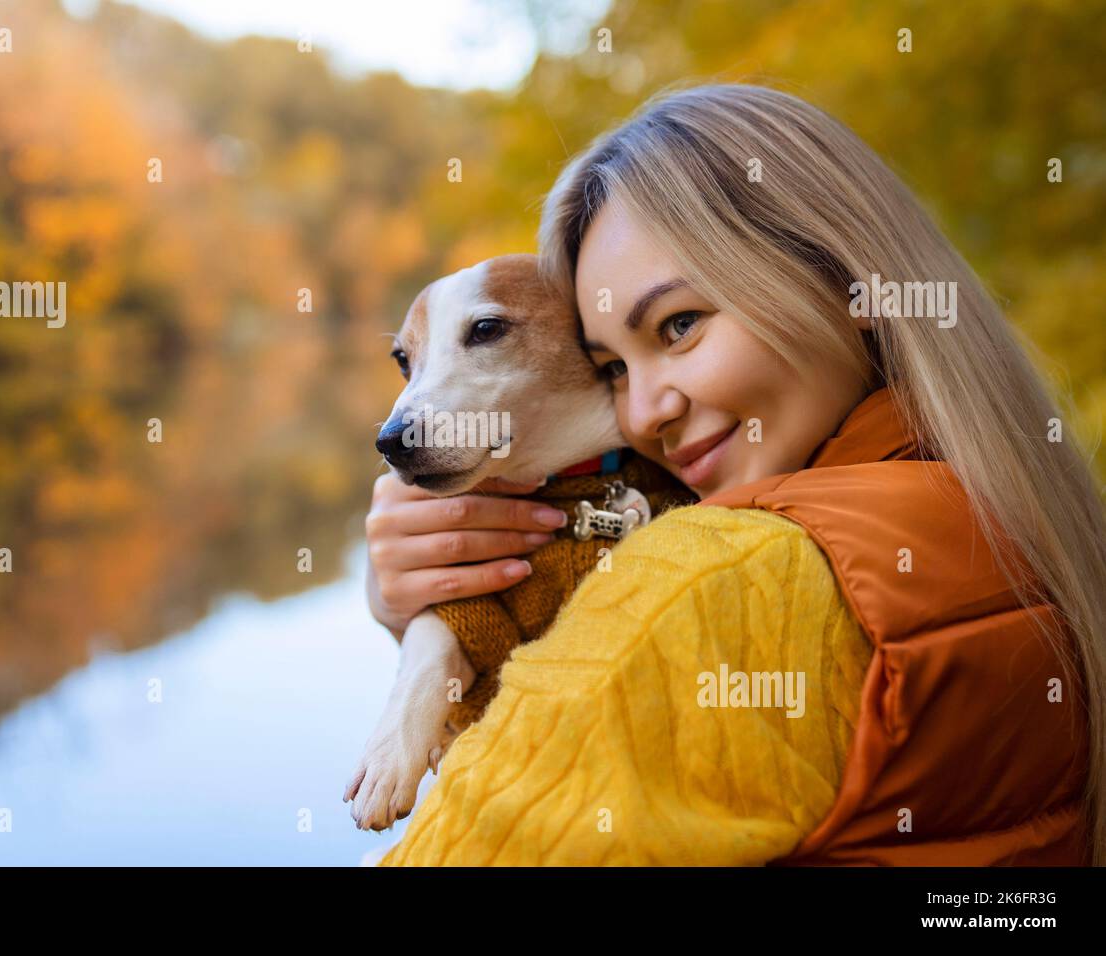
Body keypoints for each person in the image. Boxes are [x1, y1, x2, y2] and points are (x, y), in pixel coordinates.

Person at [363, 84, 1106, 866]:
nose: (646, 412)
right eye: (611, 366)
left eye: (680, 325)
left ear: (845, 279)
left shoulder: (712, 582)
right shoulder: (1013, 509)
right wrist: (435, 621)